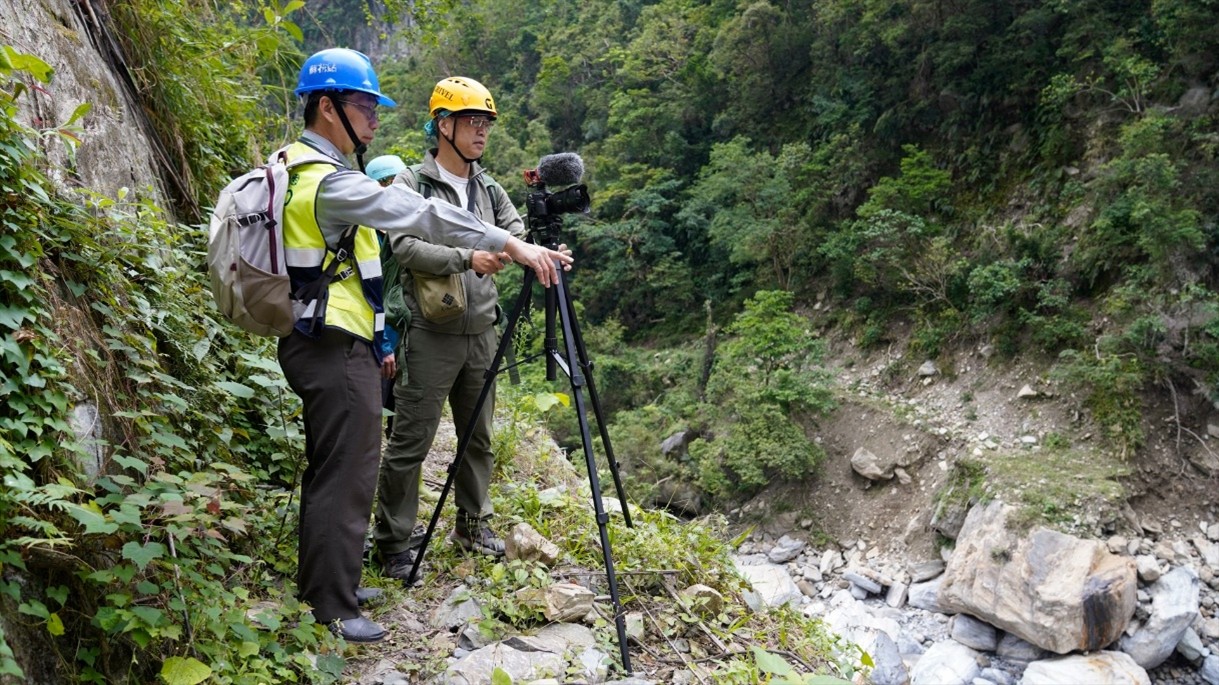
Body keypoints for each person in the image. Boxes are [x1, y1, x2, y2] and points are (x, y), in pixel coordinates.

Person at [277, 49, 571, 645]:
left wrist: (521, 245)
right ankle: (361, 573)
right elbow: (412, 227)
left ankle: (340, 580)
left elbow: (500, 230)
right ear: (328, 107)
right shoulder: (339, 180)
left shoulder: (301, 168)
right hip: (349, 338)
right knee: (371, 459)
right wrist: (486, 251)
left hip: (378, 332)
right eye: (364, 105)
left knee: (447, 441)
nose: (374, 117)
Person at [374, 76, 527, 578]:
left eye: (487, 123)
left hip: (481, 331)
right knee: (411, 441)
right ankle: (394, 542)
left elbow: (515, 234)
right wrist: (468, 257)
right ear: (444, 125)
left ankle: (472, 522)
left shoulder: (489, 188)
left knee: (477, 436)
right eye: (472, 122)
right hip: (430, 331)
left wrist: (533, 252)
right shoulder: (410, 185)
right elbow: (404, 246)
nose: (482, 132)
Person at [365, 154, 410, 438]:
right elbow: (367, 293)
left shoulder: (409, 231)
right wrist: (383, 345)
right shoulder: (365, 235)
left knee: (406, 419)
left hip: (410, 340)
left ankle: (403, 480)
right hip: (378, 342)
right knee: (371, 414)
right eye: (386, 183)